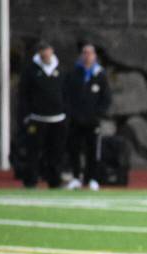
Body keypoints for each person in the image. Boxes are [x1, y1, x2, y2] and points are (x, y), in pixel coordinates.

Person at [17, 40, 67, 189]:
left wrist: (66, 112)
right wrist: (26, 114)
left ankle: (55, 181)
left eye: (47, 50)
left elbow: (67, 93)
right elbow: (23, 94)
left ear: (52, 51)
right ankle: (31, 180)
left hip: (58, 118)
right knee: (33, 151)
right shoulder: (31, 71)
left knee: (56, 151)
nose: (45, 53)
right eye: (42, 50)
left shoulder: (61, 70)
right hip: (37, 118)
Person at [63, 41, 111, 191]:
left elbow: (106, 98)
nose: (87, 56)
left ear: (95, 56)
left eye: (90, 53)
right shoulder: (74, 74)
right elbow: (67, 95)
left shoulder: (100, 75)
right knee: (74, 150)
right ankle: (77, 177)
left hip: (92, 121)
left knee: (93, 151)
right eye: (85, 53)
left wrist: (98, 114)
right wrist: (71, 113)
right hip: (76, 120)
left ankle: (93, 178)